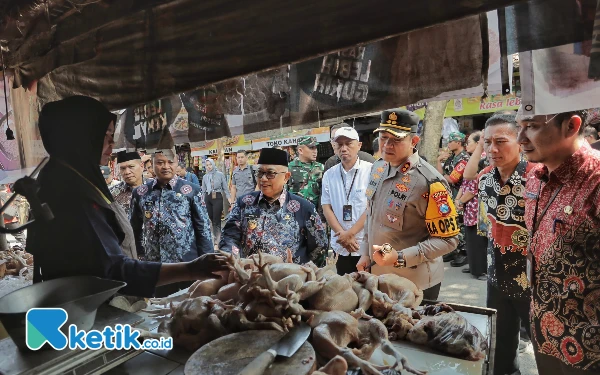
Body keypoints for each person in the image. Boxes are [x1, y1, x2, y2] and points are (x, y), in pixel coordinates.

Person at [26, 96, 227, 298]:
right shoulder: (71, 194)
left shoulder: (77, 180)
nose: (112, 143)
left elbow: (202, 228)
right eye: (106, 135)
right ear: (82, 137)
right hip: (91, 304)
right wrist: (190, 269)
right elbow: (112, 269)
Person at [517, 109, 600, 375]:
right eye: (520, 126)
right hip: (543, 330)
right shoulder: (535, 176)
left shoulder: (596, 180)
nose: (520, 137)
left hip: (590, 347)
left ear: (571, 126)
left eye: (531, 126)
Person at [357, 109, 459, 301]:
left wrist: (401, 257)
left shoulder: (429, 182)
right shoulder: (378, 168)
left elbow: (449, 240)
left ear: (414, 141)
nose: (387, 145)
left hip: (415, 284)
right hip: (378, 277)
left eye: (396, 140)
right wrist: (365, 253)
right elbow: (372, 216)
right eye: (383, 137)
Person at [464, 112, 534, 375]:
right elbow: (488, 227)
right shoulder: (485, 179)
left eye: (501, 141)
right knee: (501, 346)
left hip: (532, 281)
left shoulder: (537, 177)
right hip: (496, 275)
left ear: (520, 140)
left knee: (544, 346)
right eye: (487, 142)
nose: (492, 149)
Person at [220, 148, 328, 265]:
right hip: (252, 277)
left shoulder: (304, 208)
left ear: (286, 177)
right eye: (260, 173)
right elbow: (229, 236)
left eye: (271, 173)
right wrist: (235, 260)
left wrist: (307, 274)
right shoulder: (244, 203)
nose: (263, 178)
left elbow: (319, 248)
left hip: (290, 279)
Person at [131, 148, 213, 266]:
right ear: (152, 164)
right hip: (153, 264)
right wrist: (139, 255)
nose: (165, 166)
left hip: (187, 263)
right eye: (160, 163)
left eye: (170, 162)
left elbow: (203, 228)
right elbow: (135, 228)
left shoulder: (191, 190)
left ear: (176, 163)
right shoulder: (140, 193)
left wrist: (207, 262)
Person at [321, 127, 373, 275]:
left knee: (367, 290)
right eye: (339, 144)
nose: (344, 148)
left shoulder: (371, 170)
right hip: (341, 244)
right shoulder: (329, 175)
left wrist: (351, 233)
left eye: (349, 143)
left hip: (363, 245)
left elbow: (372, 206)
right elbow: (326, 207)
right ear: (334, 147)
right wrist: (343, 235)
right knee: (344, 290)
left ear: (359, 146)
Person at [455, 131, 487, 281]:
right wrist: (458, 199)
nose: (467, 145)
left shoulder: (483, 159)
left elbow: (475, 187)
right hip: (468, 205)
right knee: (470, 237)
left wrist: (461, 201)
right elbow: (464, 182)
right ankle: (473, 265)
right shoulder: (472, 159)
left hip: (476, 206)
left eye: (470, 142)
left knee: (478, 238)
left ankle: (480, 270)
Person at [437, 132, 470, 267]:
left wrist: (442, 174)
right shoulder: (451, 158)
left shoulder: (463, 159)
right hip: (449, 195)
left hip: (460, 195)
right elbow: (439, 174)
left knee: (460, 224)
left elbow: (451, 179)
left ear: (459, 142)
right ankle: (454, 250)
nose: (448, 144)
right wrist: (439, 161)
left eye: (451, 141)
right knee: (451, 223)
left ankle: (463, 253)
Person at [287, 136, 325, 210]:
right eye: (311, 148)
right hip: (294, 214)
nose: (315, 151)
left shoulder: (321, 168)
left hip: (315, 213)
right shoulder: (289, 168)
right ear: (300, 150)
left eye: (315, 147)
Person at [202, 158, 230, 248]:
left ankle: (216, 242)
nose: (209, 167)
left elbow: (225, 188)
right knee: (212, 219)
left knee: (216, 221)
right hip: (208, 197)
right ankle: (218, 238)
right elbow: (203, 190)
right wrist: (202, 202)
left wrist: (230, 201)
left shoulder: (220, 175)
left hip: (217, 197)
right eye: (207, 165)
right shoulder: (205, 177)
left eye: (210, 164)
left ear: (213, 165)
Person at [110, 151, 146, 219]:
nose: (127, 172)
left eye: (131, 167)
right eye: (123, 168)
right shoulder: (112, 194)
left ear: (142, 166)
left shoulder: (155, 188)